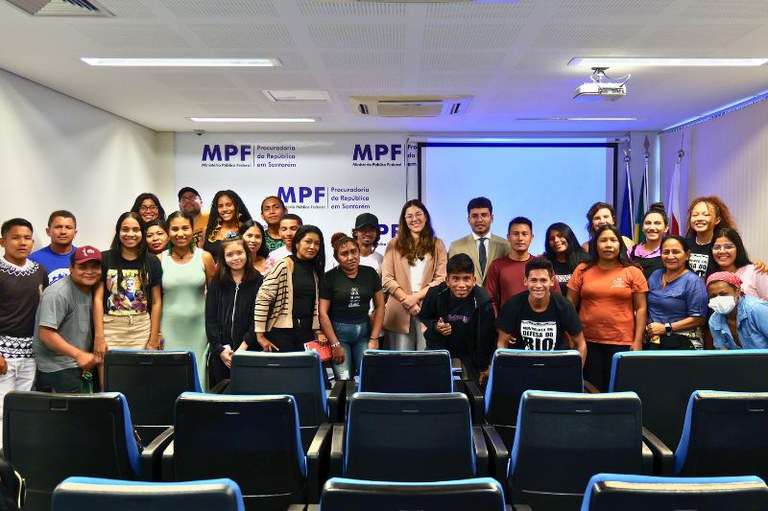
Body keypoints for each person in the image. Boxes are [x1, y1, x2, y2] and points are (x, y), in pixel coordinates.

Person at [567, 225, 647, 391]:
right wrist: (571, 337)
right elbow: (569, 306)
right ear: (595, 245)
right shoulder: (582, 270)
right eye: (603, 240)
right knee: (592, 390)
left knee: (618, 390)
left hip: (622, 342)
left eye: (613, 240)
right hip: (587, 342)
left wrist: (638, 340)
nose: (608, 245)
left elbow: (641, 308)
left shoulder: (633, 271)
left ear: (620, 244)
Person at [0, 218, 48, 445]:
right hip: (3, 354)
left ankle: (20, 455)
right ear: (3, 241)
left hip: (31, 352)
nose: (22, 242)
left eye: (27, 238)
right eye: (16, 237)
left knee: (25, 406)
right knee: (2, 409)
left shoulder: (39, 271)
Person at [93, 212, 163, 358]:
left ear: (142, 233)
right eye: (125, 229)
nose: (130, 234)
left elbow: (156, 302)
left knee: (139, 379)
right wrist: (99, 336)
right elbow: (98, 299)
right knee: (110, 378)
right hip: (111, 328)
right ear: (118, 232)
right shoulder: (105, 258)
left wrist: (153, 337)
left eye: (136, 230)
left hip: (141, 328)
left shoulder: (152, 261)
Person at [33, 246, 102, 392]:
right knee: (71, 414)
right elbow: (46, 334)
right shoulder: (58, 294)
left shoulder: (91, 290)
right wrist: (79, 355)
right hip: (58, 368)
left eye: (95, 266)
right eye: (83, 267)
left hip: (77, 364)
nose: (90, 272)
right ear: (71, 268)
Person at [418, 254, 496, 383]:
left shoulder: (484, 301)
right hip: (439, 348)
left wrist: (484, 366)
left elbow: (486, 338)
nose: (461, 285)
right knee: (432, 385)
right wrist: (436, 327)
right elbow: (424, 320)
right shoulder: (435, 294)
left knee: (473, 391)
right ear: (447, 280)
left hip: (471, 353)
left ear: (474, 280)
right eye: (456, 279)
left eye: (466, 279)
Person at [382, 200, 447, 351]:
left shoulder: (437, 244)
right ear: (404, 220)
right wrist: (407, 300)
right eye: (409, 216)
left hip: (429, 306)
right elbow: (387, 278)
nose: (414, 219)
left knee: (426, 359)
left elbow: (441, 278)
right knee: (402, 362)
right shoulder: (393, 244)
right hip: (399, 308)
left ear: (425, 216)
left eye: (418, 214)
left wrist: (415, 299)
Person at [160, 211, 216, 387]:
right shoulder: (160, 259)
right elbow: (154, 300)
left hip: (199, 329)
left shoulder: (204, 257)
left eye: (185, 228)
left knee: (198, 375)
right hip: (168, 329)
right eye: (174, 229)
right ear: (168, 232)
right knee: (170, 375)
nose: (180, 233)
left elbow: (215, 296)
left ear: (193, 230)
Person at [251, 225, 327, 353]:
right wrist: (260, 335)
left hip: (306, 334)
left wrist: (317, 331)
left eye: (317, 243)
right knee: (284, 373)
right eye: (308, 242)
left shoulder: (315, 270)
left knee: (307, 373)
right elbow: (263, 299)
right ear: (297, 243)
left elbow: (313, 305)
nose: (312, 247)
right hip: (281, 333)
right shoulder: (284, 265)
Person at [319, 233, 384, 380]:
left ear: (359, 252)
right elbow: (323, 313)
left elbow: (380, 307)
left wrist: (374, 338)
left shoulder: (370, 273)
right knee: (343, 380)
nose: (350, 257)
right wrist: (335, 345)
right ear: (336, 258)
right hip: (339, 336)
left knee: (369, 377)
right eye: (344, 254)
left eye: (354, 252)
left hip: (364, 334)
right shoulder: (329, 278)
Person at [497, 258, 586, 364]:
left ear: (552, 281)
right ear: (525, 281)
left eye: (543, 280)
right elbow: (501, 345)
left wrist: (575, 375)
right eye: (533, 280)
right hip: (522, 366)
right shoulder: (513, 305)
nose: (538, 286)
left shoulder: (564, 306)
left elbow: (581, 344)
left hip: (555, 367)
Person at [206, 236, 263, 385]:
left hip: (249, 350)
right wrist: (220, 349)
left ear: (247, 254)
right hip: (222, 353)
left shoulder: (259, 281)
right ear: (223, 258)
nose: (235, 258)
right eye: (229, 255)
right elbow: (210, 318)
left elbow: (259, 317)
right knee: (224, 396)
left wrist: (245, 345)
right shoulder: (217, 283)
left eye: (239, 253)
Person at [485, 216, 560, 315]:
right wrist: (498, 323)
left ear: (531, 237)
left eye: (524, 234)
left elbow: (557, 296)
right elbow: (490, 299)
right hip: (508, 326)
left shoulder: (542, 264)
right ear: (508, 237)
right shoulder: (497, 265)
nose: (520, 238)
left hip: (539, 326)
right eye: (515, 234)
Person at [645, 236, 707, 350]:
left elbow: (699, 319)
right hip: (655, 341)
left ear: (687, 255)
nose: (670, 256)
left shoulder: (693, 281)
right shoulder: (655, 275)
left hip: (683, 342)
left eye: (676, 252)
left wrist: (666, 328)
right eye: (665, 252)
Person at [448, 197, 510, 285]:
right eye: (475, 216)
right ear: (468, 219)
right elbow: (452, 277)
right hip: (466, 298)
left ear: (492, 218)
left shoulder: (506, 245)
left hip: (497, 298)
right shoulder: (456, 246)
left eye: (484, 215)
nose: (479, 220)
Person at [707, 272, 768, 350]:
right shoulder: (714, 320)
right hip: (738, 362)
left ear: (737, 291)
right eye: (713, 296)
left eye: (723, 294)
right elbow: (723, 353)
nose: (718, 299)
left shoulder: (756, 309)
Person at [708, 228, 768, 299]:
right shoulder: (711, 275)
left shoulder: (756, 271)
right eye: (717, 247)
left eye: (728, 247)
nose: (722, 251)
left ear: (738, 248)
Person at [685, 196, 737, 278]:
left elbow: (741, 266)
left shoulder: (724, 245)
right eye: (695, 215)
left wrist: (758, 265)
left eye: (706, 215)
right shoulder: (684, 244)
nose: (699, 218)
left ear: (717, 220)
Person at [29, 210, 78, 284]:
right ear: (48, 231)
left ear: (75, 233)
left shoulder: (84, 258)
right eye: (58, 227)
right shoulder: (33, 260)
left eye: (68, 227)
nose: (63, 232)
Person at [543, 222, 590, 295]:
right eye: (552, 238)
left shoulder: (586, 261)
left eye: (560, 236)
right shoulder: (545, 263)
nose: (556, 240)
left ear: (568, 236)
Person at [202, 189, 253, 258]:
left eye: (228, 205)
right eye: (220, 206)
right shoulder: (208, 229)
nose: (224, 209)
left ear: (236, 206)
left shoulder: (247, 229)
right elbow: (204, 257)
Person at [629, 203, 669, 279]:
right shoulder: (632, 251)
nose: (652, 227)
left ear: (666, 228)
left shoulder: (669, 252)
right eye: (648, 223)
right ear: (642, 227)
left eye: (657, 223)